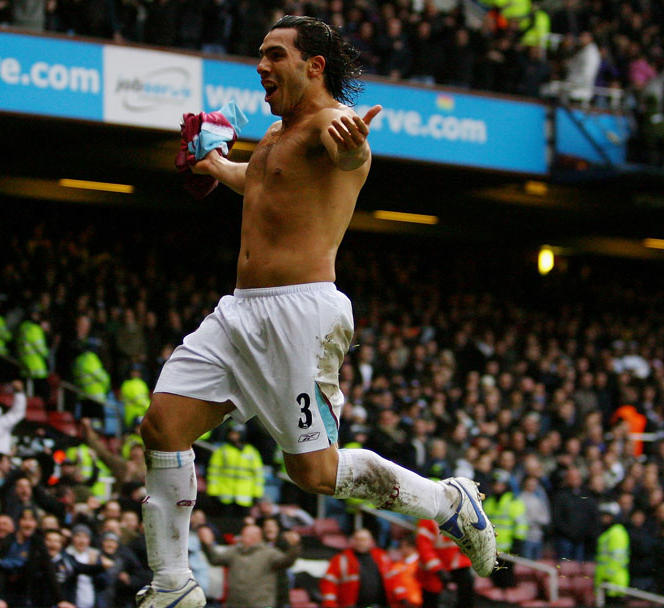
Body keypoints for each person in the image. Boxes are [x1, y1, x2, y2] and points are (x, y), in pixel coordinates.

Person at [136, 15, 496, 608]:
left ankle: (448, 502)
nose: (261, 66)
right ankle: (175, 584)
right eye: (260, 54)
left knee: (315, 474)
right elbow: (255, 182)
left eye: (274, 55)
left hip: (300, 317)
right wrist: (213, 163)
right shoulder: (278, 134)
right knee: (162, 426)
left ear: (314, 66)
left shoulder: (330, 126)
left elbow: (352, 157)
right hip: (240, 313)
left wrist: (356, 150)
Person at [198, 523, 301, 608]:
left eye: (244, 535)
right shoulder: (234, 551)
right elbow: (215, 559)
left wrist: (294, 546)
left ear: (256, 537)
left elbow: (286, 561)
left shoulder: (269, 553)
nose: (241, 538)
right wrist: (206, 544)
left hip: (261, 605)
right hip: (234, 605)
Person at [319, 528, 406, 608]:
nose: (361, 542)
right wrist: (329, 603)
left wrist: (402, 596)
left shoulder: (382, 557)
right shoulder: (342, 559)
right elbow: (329, 582)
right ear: (353, 541)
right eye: (358, 539)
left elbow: (394, 578)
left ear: (371, 541)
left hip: (381, 604)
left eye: (364, 539)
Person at [206, 424, 265, 517]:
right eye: (231, 433)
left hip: (244, 496)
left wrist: (257, 494)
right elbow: (213, 472)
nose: (232, 436)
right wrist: (213, 491)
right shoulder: (222, 451)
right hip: (225, 494)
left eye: (235, 433)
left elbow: (258, 475)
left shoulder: (251, 452)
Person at [416, 518, 474, 608]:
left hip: (452, 564)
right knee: (432, 600)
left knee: (466, 587)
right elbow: (425, 550)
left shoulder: (458, 518)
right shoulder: (428, 521)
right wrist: (439, 570)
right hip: (433, 571)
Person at [595, 503, 629, 602]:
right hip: (605, 580)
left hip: (614, 581)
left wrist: (608, 576)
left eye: (606, 516)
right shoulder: (608, 532)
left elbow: (617, 557)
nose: (603, 519)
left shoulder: (616, 532)